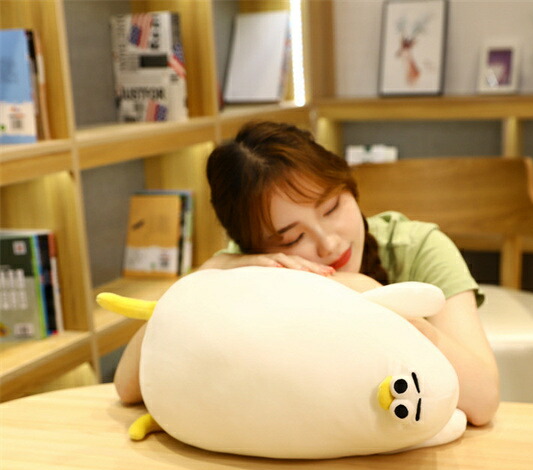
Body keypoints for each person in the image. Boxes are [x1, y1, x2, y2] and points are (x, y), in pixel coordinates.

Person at [115, 121, 499, 426]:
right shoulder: (250, 268)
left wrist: (369, 296)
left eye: (331, 208)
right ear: (256, 248)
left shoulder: (418, 248)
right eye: (293, 237)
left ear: (349, 185)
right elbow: (128, 385)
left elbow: (483, 399)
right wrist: (211, 272)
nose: (329, 244)